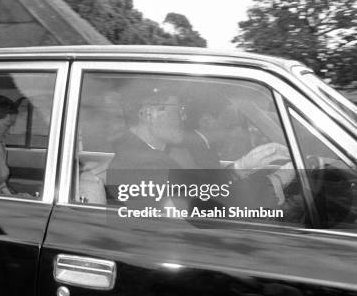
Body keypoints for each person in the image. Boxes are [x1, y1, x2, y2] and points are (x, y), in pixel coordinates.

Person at [106, 80, 295, 211]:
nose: (183, 117)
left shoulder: (145, 155)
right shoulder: (138, 163)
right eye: (178, 110)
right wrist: (274, 182)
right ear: (149, 114)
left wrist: (241, 167)